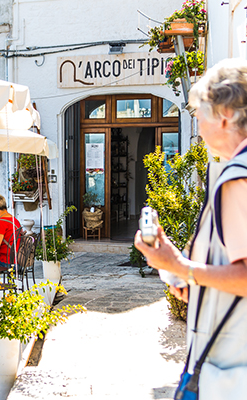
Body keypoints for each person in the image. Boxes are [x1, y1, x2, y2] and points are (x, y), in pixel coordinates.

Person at [135, 59, 247, 399]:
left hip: (230, 367)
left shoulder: (237, 178)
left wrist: (178, 266)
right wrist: (196, 283)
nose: (197, 126)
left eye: (199, 114)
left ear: (224, 115)